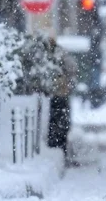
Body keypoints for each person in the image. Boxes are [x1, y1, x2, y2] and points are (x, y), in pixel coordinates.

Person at [46, 38, 79, 167]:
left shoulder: (53, 58)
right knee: (62, 126)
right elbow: (73, 71)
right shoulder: (62, 57)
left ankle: (59, 150)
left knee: (57, 125)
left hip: (57, 96)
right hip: (61, 96)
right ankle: (62, 151)